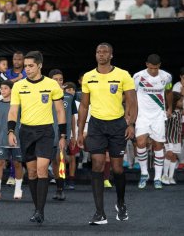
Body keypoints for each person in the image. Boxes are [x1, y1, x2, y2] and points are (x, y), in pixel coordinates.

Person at [77, 43, 137, 225]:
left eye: (105, 52)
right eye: (98, 52)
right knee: (97, 164)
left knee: (117, 168)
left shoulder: (123, 75)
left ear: (111, 55)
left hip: (117, 125)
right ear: (95, 55)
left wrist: (131, 124)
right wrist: (80, 131)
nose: (101, 54)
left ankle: (120, 202)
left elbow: (132, 101)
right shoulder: (88, 76)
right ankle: (100, 213)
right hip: (96, 126)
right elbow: (84, 105)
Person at [8, 51, 66, 225]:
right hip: (26, 132)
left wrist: (63, 135)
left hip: (45, 132)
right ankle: (37, 207)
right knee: (31, 172)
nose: (27, 69)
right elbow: (13, 111)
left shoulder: (52, 85)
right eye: (25, 66)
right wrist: (11, 131)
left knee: (41, 170)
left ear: (40, 65)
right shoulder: (18, 86)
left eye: (31, 66)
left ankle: (40, 211)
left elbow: (60, 111)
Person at [133, 54, 173, 189]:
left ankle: (157, 177)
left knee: (158, 146)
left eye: (156, 68)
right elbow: (131, 96)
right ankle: (144, 174)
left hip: (158, 116)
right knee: (140, 142)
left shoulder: (166, 77)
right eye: (152, 68)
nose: (154, 70)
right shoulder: (138, 77)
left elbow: (168, 92)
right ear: (147, 65)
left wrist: (170, 108)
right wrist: (130, 114)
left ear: (159, 65)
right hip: (142, 115)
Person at [48, 69, 77, 199]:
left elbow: (72, 117)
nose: (59, 82)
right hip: (46, 133)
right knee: (52, 162)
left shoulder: (69, 97)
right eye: (56, 79)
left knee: (60, 159)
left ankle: (60, 188)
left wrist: (74, 135)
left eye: (61, 79)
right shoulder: (44, 95)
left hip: (62, 134)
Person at [162, 91, 182, 185]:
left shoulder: (180, 112)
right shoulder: (168, 112)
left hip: (176, 137)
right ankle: (164, 175)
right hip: (168, 136)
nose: (182, 103)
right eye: (180, 101)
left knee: (174, 157)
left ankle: (170, 177)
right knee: (169, 154)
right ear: (174, 102)